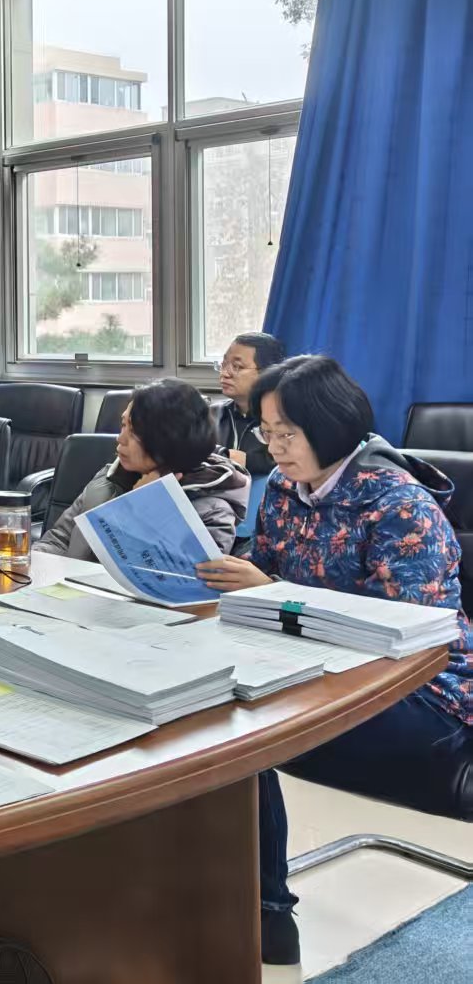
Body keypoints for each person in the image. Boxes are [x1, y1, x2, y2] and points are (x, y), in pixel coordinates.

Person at [195, 356, 470, 967]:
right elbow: (264, 581)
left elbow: (414, 637)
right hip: (317, 672)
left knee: (239, 733)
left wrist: (273, 591)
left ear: (330, 426)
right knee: (199, 707)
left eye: (287, 433)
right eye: (266, 432)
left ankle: (267, 918)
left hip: (426, 694)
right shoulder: (284, 491)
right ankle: (206, 900)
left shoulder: (399, 503)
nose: (274, 448)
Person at [39, 378, 250, 560]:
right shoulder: (109, 477)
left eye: (133, 431)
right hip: (69, 590)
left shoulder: (213, 510)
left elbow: (181, 582)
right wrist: (31, 565)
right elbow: (57, 541)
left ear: (166, 439)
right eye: (123, 425)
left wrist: (144, 507)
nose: (120, 438)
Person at [212, 331, 287, 476]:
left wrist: (247, 460)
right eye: (224, 364)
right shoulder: (211, 414)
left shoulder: (287, 418)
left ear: (267, 372)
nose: (224, 373)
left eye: (237, 366)